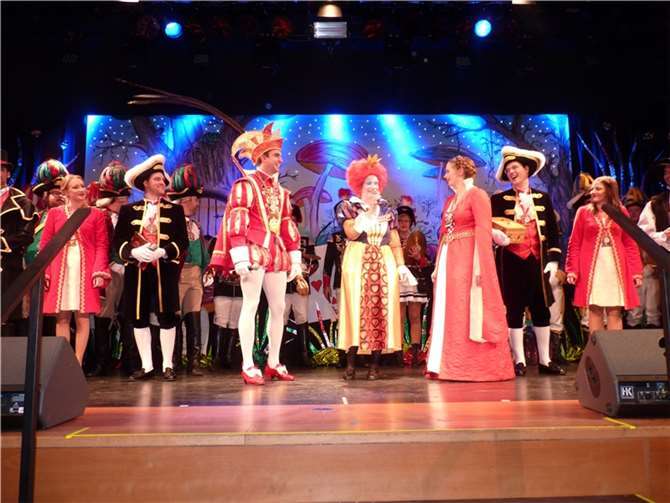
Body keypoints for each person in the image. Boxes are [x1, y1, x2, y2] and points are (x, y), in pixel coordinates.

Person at [209, 123, 302, 385]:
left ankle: (274, 362)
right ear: (262, 157)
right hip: (252, 250)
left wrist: (295, 256)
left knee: (279, 307)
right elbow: (237, 217)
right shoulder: (245, 185)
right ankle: (248, 364)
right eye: (276, 155)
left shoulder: (281, 192)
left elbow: (287, 223)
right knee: (250, 304)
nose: (280, 159)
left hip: (276, 252)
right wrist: (239, 253)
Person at [425, 156, 514, 382]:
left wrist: (482, 266)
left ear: (460, 171)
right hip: (449, 258)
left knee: (465, 306)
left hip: (468, 257)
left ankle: (470, 365)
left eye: (448, 171)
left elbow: (483, 231)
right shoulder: (450, 200)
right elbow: (443, 234)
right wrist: (437, 265)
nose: (445, 175)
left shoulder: (478, 195)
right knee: (449, 307)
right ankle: (444, 364)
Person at [336, 154, 416, 380]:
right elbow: (351, 233)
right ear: (359, 184)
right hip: (357, 260)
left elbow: (394, 241)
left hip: (383, 260)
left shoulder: (387, 210)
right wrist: (365, 215)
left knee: (381, 309)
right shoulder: (349, 206)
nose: (373, 186)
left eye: (376, 182)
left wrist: (401, 266)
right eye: (368, 182)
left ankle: (375, 365)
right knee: (356, 308)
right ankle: (350, 364)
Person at [112, 154, 189, 381]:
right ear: (145, 183)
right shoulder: (128, 210)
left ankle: (167, 365)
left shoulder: (175, 211)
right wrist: (132, 252)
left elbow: (182, 241)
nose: (162, 182)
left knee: (167, 316)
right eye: (157, 179)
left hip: (165, 270)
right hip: (137, 270)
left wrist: (164, 251)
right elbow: (118, 241)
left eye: (163, 179)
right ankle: (146, 366)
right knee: (138, 316)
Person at [491, 146, 566, 376]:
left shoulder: (542, 198)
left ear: (526, 169)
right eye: (508, 170)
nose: (512, 172)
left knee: (541, 309)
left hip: (537, 261)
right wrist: (498, 237)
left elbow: (552, 232)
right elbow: (491, 228)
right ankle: (519, 361)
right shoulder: (498, 199)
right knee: (514, 310)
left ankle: (545, 361)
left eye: (515, 167)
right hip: (511, 262)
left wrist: (553, 260)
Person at [40, 175, 111, 365]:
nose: (81, 189)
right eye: (75, 187)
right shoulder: (55, 213)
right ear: (65, 192)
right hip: (60, 268)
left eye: (82, 186)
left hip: (84, 268)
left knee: (82, 316)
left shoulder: (95, 214)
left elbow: (102, 245)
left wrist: (99, 270)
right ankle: (65, 362)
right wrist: (46, 271)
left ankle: (77, 362)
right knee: (62, 317)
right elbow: (45, 244)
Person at [566, 176, 643, 335]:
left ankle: (615, 349)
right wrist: (572, 269)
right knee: (595, 309)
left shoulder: (620, 211)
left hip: (615, 266)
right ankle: (598, 349)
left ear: (609, 191)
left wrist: (636, 271)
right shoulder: (583, 212)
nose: (592, 192)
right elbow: (575, 243)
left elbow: (630, 243)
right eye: (592, 189)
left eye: (598, 188)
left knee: (614, 310)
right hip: (592, 267)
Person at [87, 161, 135, 377]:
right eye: (118, 195)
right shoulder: (99, 215)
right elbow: (98, 243)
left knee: (127, 316)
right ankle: (101, 361)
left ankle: (128, 361)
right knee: (103, 316)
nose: (123, 198)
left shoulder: (130, 215)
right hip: (106, 272)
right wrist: (109, 263)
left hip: (129, 271)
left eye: (125, 194)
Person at [167, 163, 210, 376]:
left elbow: (202, 253)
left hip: (195, 275)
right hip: (178, 275)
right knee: (175, 317)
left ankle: (193, 361)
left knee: (193, 316)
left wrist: (206, 269)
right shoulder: (171, 224)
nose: (197, 203)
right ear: (184, 201)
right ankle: (174, 361)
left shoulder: (195, 226)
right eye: (194, 199)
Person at [0, 149, 38, 337]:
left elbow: (26, 235)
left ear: (8, 173)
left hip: (8, 267)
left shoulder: (22, 202)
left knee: (6, 317)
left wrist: (2, 242)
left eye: (1, 169)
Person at [396, 204, 431, 367]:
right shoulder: (392, 238)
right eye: (400, 220)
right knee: (399, 317)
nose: (403, 223)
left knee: (415, 316)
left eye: (406, 221)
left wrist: (418, 257)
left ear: (411, 222)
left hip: (415, 280)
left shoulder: (417, 238)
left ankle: (415, 353)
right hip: (398, 280)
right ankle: (398, 352)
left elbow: (426, 263)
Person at [624, 188, 660, 329]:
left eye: (636, 210)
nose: (633, 214)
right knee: (635, 307)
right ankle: (634, 325)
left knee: (652, 300)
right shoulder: (625, 229)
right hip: (633, 272)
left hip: (650, 270)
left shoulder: (649, 229)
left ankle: (653, 324)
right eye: (630, 211)